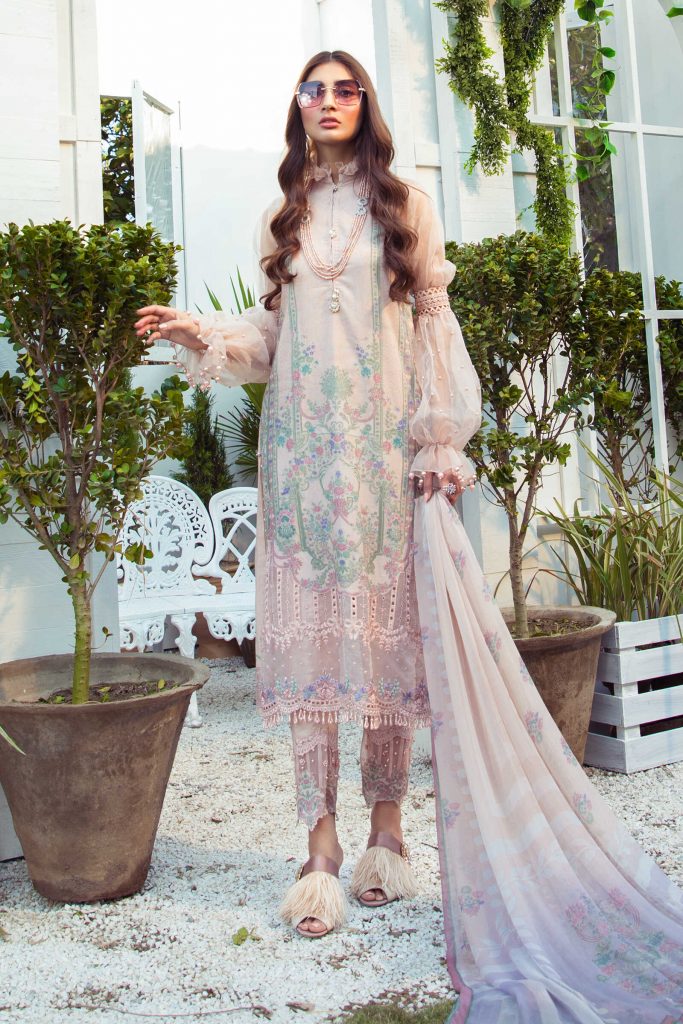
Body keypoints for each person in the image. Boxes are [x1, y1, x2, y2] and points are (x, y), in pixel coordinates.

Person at [136, 48, 481, 940]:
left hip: (381, 459)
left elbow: (434, 326)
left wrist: (439, 435)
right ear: (297, 107)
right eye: (312, 90)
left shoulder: (406, 207)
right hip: (298, 462)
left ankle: (387, 835)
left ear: (365, 104)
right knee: (316, 646)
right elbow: (271, 338)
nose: (327, 101)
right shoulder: (281, 215)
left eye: (344, 89)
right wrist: (201, 333)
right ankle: (320, 848)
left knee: (384, 643)